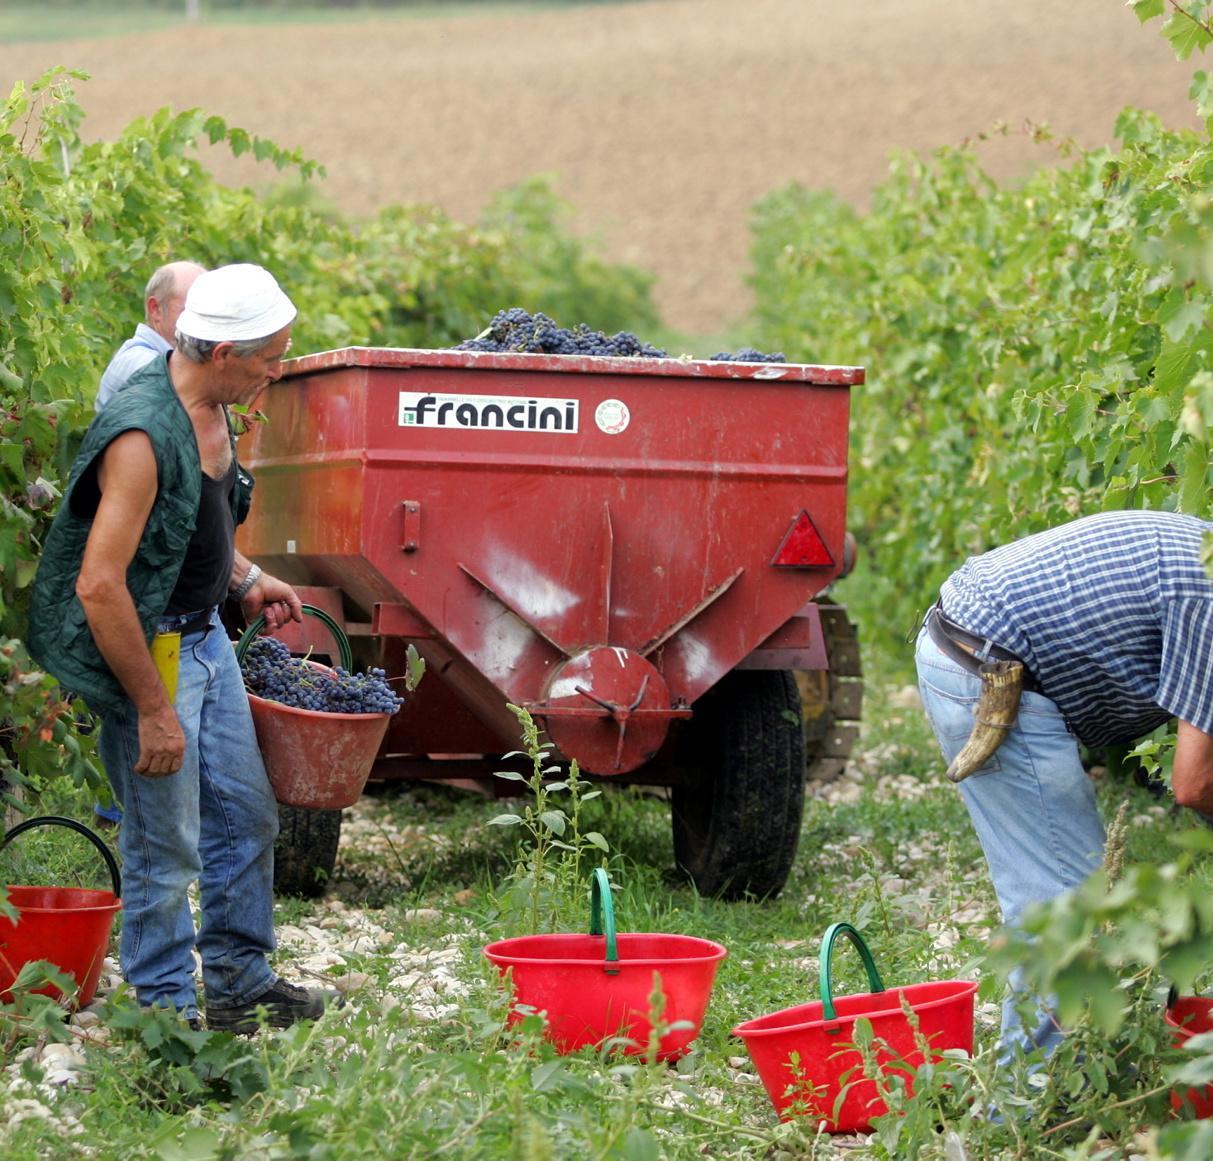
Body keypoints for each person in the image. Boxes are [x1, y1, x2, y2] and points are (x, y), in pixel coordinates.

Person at [29, 263, 336, 1033]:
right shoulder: (141, 432)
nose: (277, 368)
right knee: (165, 845)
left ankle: (238, 979)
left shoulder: (216, 407)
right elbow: (101, 584)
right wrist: (153, 708)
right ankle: (164, 1016)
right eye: (269, 355)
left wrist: (245, 577)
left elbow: (187, 531)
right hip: (151, 652)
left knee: (245, 815)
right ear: (224, 351)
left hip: (204, 639)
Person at [915, 509, 1213, 1060]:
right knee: (1063, 903)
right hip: (987, 669)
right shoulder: (1210, 597)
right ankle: (1025, 1105)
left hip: (977, 637)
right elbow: (1194, 783)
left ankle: (1065, 1078)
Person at [92, 261, 208, 826]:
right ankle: (125, 818)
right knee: (153, 820)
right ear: (154, 310)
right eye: (191, 309)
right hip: (145, 602)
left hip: (173, 601)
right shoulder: (147, 371)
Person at [95, 260, 206, 412]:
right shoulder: (144, 365)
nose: (204, 323)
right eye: (192, 311)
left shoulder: (161, 360)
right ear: (156, 309)